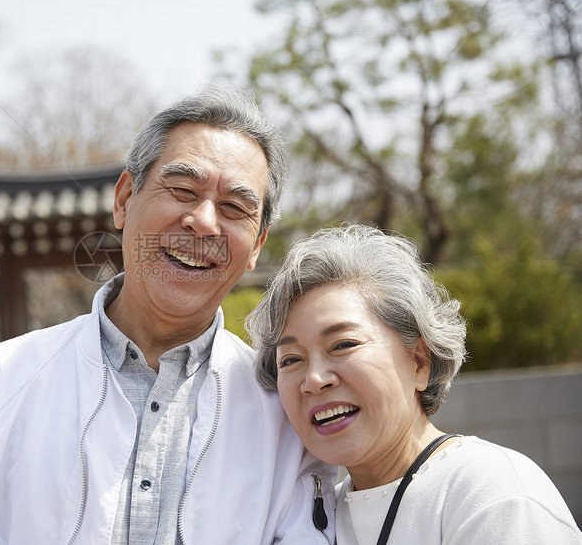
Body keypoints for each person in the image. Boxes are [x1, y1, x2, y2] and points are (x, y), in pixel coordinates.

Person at [0, 84, 337, 544]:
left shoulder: (284, 412)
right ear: (124, 199)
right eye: (182, 189)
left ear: (257, 245)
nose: (203, 221)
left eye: (234, 208)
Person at [248, 224, 582, 544]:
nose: (314, 380)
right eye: (290, 360)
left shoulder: (491, 493)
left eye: (343, 344)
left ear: (419, 362)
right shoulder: (310, 522)